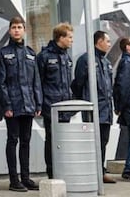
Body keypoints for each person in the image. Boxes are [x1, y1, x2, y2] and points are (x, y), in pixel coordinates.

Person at [0, 16, 42, 192]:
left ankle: (26, 177)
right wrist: (6, 106)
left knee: (26, 141)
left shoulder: (31, 53)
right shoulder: (3, 53)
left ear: (24, 30)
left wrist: (38, 104)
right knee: (12, 140)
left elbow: (36, 81)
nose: (16, 30)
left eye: (19, 27)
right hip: (13, 106)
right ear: (9, 30)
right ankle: (14, 180)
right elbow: (1, 83)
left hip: (29, 105)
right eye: (13, 27)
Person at [73, 30, 116, 184]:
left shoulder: (106, 62)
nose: (110, 44)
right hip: (93, 109)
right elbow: (78, 83)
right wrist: (84, 101)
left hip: (106, 109)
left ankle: (100, 171)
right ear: (99, 42)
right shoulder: (86, 60)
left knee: (103, 141)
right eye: (108, 41)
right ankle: (91, 171)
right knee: (91, 141)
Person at [36, 23, 74, 179]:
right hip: (51, 106)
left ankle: (63, 170)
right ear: (61, 37)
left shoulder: (67, 56)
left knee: (64, 139)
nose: (72, 40)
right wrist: (41, 103)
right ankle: (52, 172)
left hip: (65, 106)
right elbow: (38, 82)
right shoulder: (44, 56)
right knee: (52, 139)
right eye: (70, 37)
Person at [113, 37, 130, 180]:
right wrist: (120, 106)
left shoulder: (129, 61)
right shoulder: (127, 62)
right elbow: (123, 85)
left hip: (129, 104)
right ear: (127, 47)